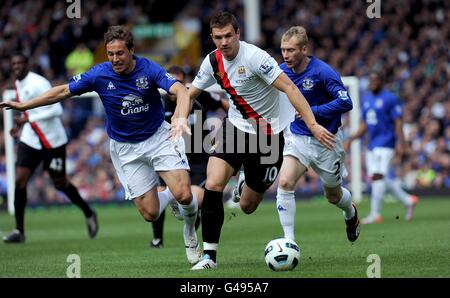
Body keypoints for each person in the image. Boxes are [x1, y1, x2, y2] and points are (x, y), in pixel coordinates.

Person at [0, 26, 201, 265]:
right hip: (126, 149)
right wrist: (26, 106)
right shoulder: (99, 74)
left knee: (185, 194)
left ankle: (190, 234)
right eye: (110, 54)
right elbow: (63, 91)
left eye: (120, 53)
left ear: (132, 51)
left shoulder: (149, 68)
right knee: (150, 213)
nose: (115, 59)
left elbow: (181, 90)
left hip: (159, 138)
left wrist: (179, 117)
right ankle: (168, 196)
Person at [172, 12, 336, 270]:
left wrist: (313, 124)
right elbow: (188, 92)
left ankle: (246, 181)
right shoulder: (212, 61)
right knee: (213, 183)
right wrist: (180, 117)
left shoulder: (256, 58)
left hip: (269, 135)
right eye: (218, 37)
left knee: (247, 205)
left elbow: (291, 89)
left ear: (238, 34)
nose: (223, 42)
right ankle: (209, 257)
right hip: (235, 127)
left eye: (228, 36)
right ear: (212, 38)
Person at [273, 26, 360, 243]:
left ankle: (350, 213)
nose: (286, 55)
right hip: (298, 137)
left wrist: (313, 112)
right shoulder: (281, 71)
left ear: (304, 49)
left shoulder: (323, 72)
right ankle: (289, 241)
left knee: (333, 196)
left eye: (291, 50)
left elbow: (345, 102)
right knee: (284, 182)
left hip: (327, 141)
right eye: (283, 50)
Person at [2, 53, 98, 243]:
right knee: (20, 180)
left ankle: (88, 212)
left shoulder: (39, 83)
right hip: (31, 139)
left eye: (20, 63)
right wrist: (22, 124)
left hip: (52, 141)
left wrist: (27, 119)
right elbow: (30, 111)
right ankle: (19, 230)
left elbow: (57, 110)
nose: (17, 67)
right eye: (14, 64)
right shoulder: (18, 84)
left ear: (27, 64)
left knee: (60, 183)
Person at [150, 65, 228, 248]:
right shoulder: (158, 103)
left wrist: (229, 130)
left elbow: (224, 105)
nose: (174, 87)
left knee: (196, 197)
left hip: (199, 160)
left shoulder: (200, 96)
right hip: (171, 159)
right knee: (159, 196)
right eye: (170, 83)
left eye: (178, 82)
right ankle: (157, 239)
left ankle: (190, 229)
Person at [345, 71, 419, 224]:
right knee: (379, 178)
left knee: (378, 177)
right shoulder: (366, 99)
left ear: (381, 81)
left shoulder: (390, 98)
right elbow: (365, 124)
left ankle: (375, 214)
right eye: (370, 80)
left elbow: (398, 122)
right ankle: (407, 200)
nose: (372, 83)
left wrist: (402, 144)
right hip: (372, 144)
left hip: (386, 143)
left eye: (375, 80)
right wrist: (352, 138)